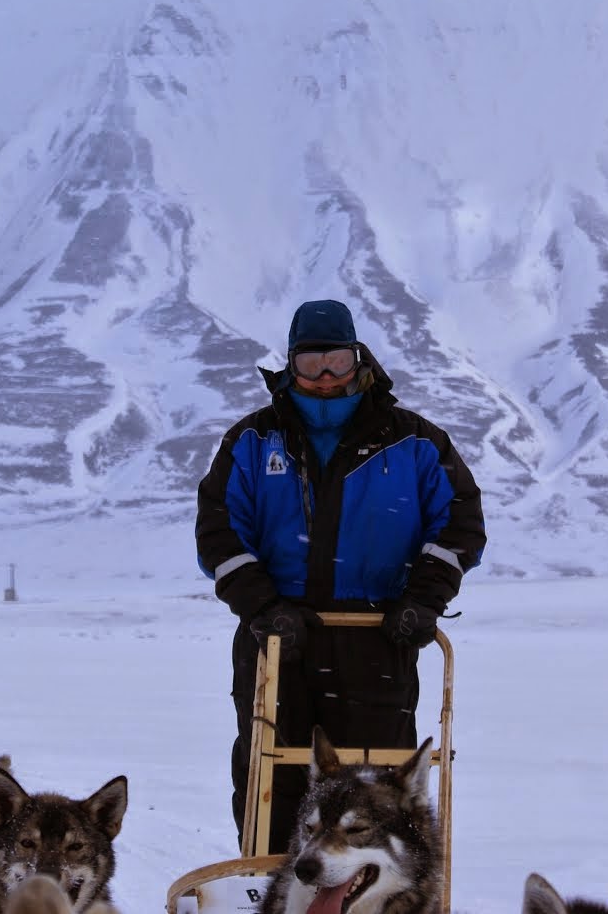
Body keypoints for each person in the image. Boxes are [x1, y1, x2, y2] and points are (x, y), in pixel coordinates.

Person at [195, 299, 486, 853]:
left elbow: (461, 525)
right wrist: (262, 608)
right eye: (310, 363)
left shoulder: (415, 442)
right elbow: (218, 533)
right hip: (279, 643)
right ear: (289, 366)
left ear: (359, 359)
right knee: (271, 785)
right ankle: (271, 887)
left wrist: (421, 602)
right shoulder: (253, 443)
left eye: (336, 360)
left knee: (375, 792)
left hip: (378, 637)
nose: (325, 376)